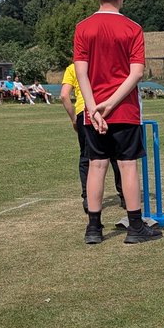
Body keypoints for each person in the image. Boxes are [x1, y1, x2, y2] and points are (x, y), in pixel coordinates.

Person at [73, 0, 163, 246]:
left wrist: (93, 109)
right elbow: (136, 73)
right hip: (124, 110)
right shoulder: (133, 28)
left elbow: (80, 72)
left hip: (94, 113)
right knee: (128, 167)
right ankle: (135, 228)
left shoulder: (83, 28)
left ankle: (93, 229)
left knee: (96, 165)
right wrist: (111, 104)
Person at [60, 60, 126, 217]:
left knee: (87, 157)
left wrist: (74, 119)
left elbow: (64, 96)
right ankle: (125, 196)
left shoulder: (72, 68)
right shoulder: (101, 64)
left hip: (84, 112)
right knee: (116, 155)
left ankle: (88, 199)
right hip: (105, 109)